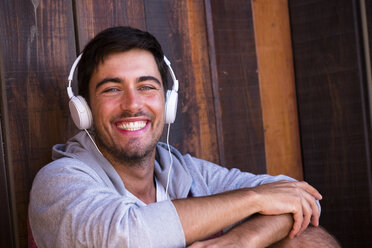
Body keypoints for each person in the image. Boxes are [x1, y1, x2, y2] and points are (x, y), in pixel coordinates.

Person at [29, 26, 340, 247]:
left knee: (309, 240)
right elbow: (127, 236)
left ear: (168, 102)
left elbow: (303, 199)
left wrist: (245, 239)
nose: (133, 104)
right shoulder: (59, 182)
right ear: (83, 109)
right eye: (112, 89)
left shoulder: (182, 171)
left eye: (147, 86)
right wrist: (256, 199)